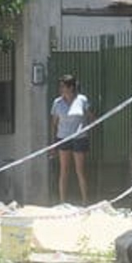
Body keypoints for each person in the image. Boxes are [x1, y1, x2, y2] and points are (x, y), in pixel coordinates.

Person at [50, 74, 94, 205]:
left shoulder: (82, 100)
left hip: (79, 138)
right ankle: (63, 202)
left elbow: (91, 117)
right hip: (63, 138)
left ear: (71, 87)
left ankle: (85, 202)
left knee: (80, 170)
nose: (60, 89)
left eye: (63, 86)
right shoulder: (57, 103)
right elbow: (53, 124)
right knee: (64, 170)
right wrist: (53, 143)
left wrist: (88, 128)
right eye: (60, 86)